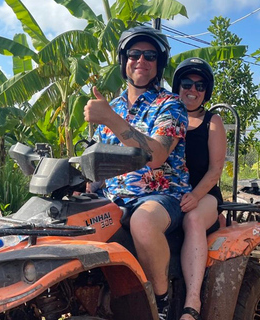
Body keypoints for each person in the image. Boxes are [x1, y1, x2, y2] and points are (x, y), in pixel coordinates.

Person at [83, 25, 191, 319]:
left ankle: (161, 303)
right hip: (113, 198)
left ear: (159, 64)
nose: (141, 60)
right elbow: (98, 162)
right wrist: (83, 185)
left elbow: (155, 156)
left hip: (160, 196)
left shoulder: (170, 105)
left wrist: (111, 118)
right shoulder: (112, 106)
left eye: (150, 56)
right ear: (123, 60)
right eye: (134, 53)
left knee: (142, 222)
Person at [172, 57, 227, 320]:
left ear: (206, 91)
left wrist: (195, 196)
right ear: (177, 85)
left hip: (203, 195)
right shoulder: (165, 115)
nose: (192, 90)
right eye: (186, 83)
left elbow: (215, 170)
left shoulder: (212, 121)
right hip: (169, 192)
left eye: (199, 85)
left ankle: (191, 303)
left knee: (192, 219)